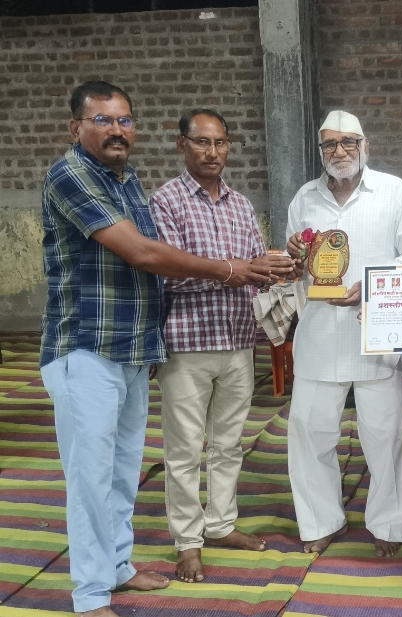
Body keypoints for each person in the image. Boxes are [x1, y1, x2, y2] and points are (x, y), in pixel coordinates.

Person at [39, 81, 277, 617]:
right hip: (85, 346)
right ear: (76, 128)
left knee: (123, 470)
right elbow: (145, 254)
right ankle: (90, 594)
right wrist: (233, 270)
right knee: (90, 476)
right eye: (103, 120)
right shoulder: (70, 174)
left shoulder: (125, 181)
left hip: (131, 348)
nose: (117, 130)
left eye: (124, 120)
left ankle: (117, 568)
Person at [148, 109, 291, 583]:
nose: (212, 152)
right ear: (181, 144)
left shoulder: (241, 205)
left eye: (221, 143)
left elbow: (256, 266)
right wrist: (233, 270)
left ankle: (221, 524)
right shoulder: (165, 201)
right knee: (185, 449)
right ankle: (187, 541)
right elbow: (167, 271)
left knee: (229, 444)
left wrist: (280, 266)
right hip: (188, 343)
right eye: (202, 142)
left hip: (237, 340)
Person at [285, 110, 402, 558]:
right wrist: (293, 256)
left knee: (387, 434)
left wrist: (372, 285)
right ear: (320, 150)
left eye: (348, 142)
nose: (339, 151)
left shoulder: (393, 191)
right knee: (310, 432)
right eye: (330, 144)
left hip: (376, 332)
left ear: (365, 147)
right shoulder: (304, 198)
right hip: (320, 335)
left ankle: (390, 524)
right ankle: (321, 520)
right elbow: (294, 270)